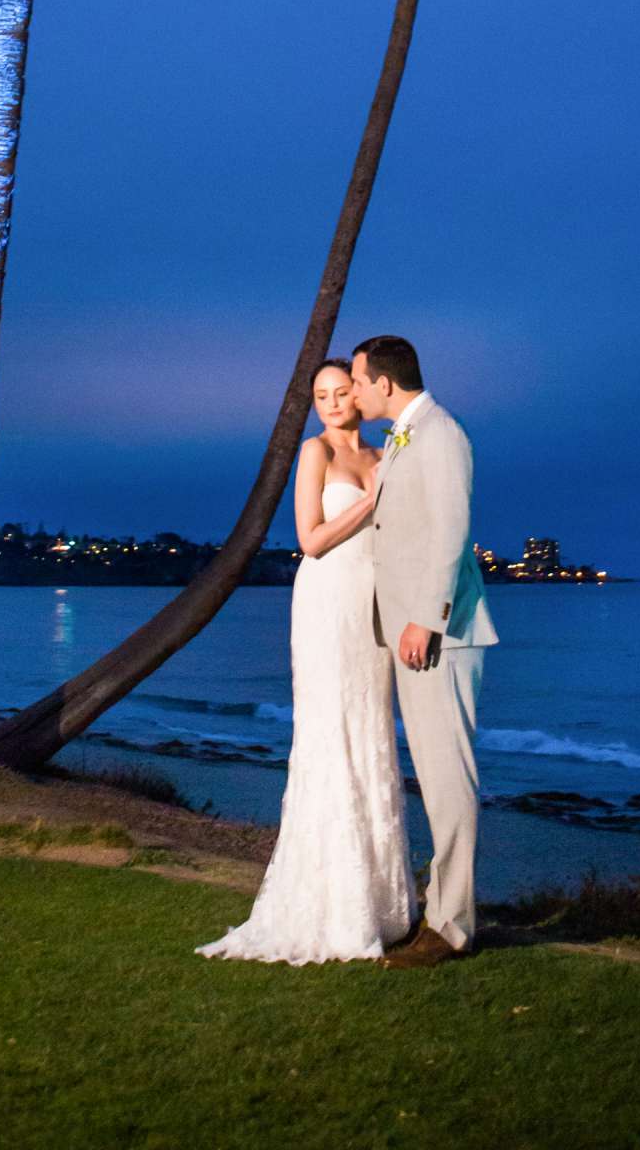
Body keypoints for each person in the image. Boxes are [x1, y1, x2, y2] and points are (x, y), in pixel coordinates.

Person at [195, 358, 415, 963]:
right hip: (326, 604)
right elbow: (309, 540)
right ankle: (331, 902)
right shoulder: (316, 453)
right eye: (321, 395)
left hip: (374, 606)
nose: (332, 402)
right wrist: (368, 505)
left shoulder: (383, 455)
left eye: (342, 391)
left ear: (360, 394)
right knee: (330, 736)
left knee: (371, 734)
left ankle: (383, 903)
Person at [351, 333, 497, 966]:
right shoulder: (404, 436)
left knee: (448, 777)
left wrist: (426, 620)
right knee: (435, 779)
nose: (354, 394)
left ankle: (454, 927)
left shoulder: (440, 434)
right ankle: (440, 911)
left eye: (357, 382)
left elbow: (451, 532)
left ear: (385, 383)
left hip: (438, 634)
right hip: (413, 631)